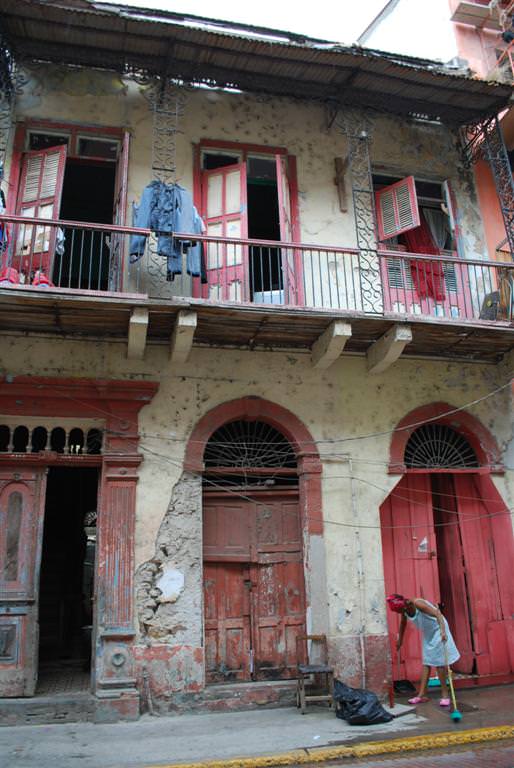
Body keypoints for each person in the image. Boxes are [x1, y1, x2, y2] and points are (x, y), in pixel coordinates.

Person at [386, 593, 460, 707]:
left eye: (398, 611)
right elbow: (403, 624)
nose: (398, 613)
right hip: (428, 633)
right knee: (427, 662)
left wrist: (443, 632)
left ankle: (445, 695)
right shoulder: (405, 609)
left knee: (439, 663)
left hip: (438, 629)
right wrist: (400, 640)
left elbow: (438, 615)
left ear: (403, 606)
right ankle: (422, 695)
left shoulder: (417, 603)